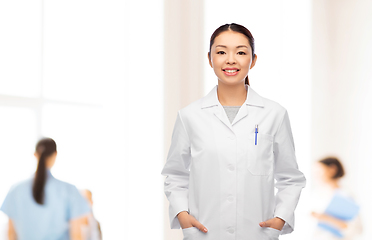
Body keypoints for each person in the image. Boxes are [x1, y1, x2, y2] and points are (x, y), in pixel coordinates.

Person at [161, 23, 306, 240]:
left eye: (240, 52)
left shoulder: (274, 114)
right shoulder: (189, 115)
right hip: (205, 232)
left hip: (258, 233)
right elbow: (175, 174)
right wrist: (182, 214)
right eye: (221, 52)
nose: (231, 59)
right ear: (210, 59)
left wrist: (280, 220)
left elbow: (291, 178)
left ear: (253, 60)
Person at [0, 138, 90, 240]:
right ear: (55, 155)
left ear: (35, 155)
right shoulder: (69, 191)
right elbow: (77, 235)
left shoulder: (16, 190)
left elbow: (11, 234)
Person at [311, 157, 363, 240]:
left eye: (319, 171)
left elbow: (357, 229)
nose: (315, 175)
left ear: (332, 169)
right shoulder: (315, 194)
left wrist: (326, 218)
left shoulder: (346, 195)